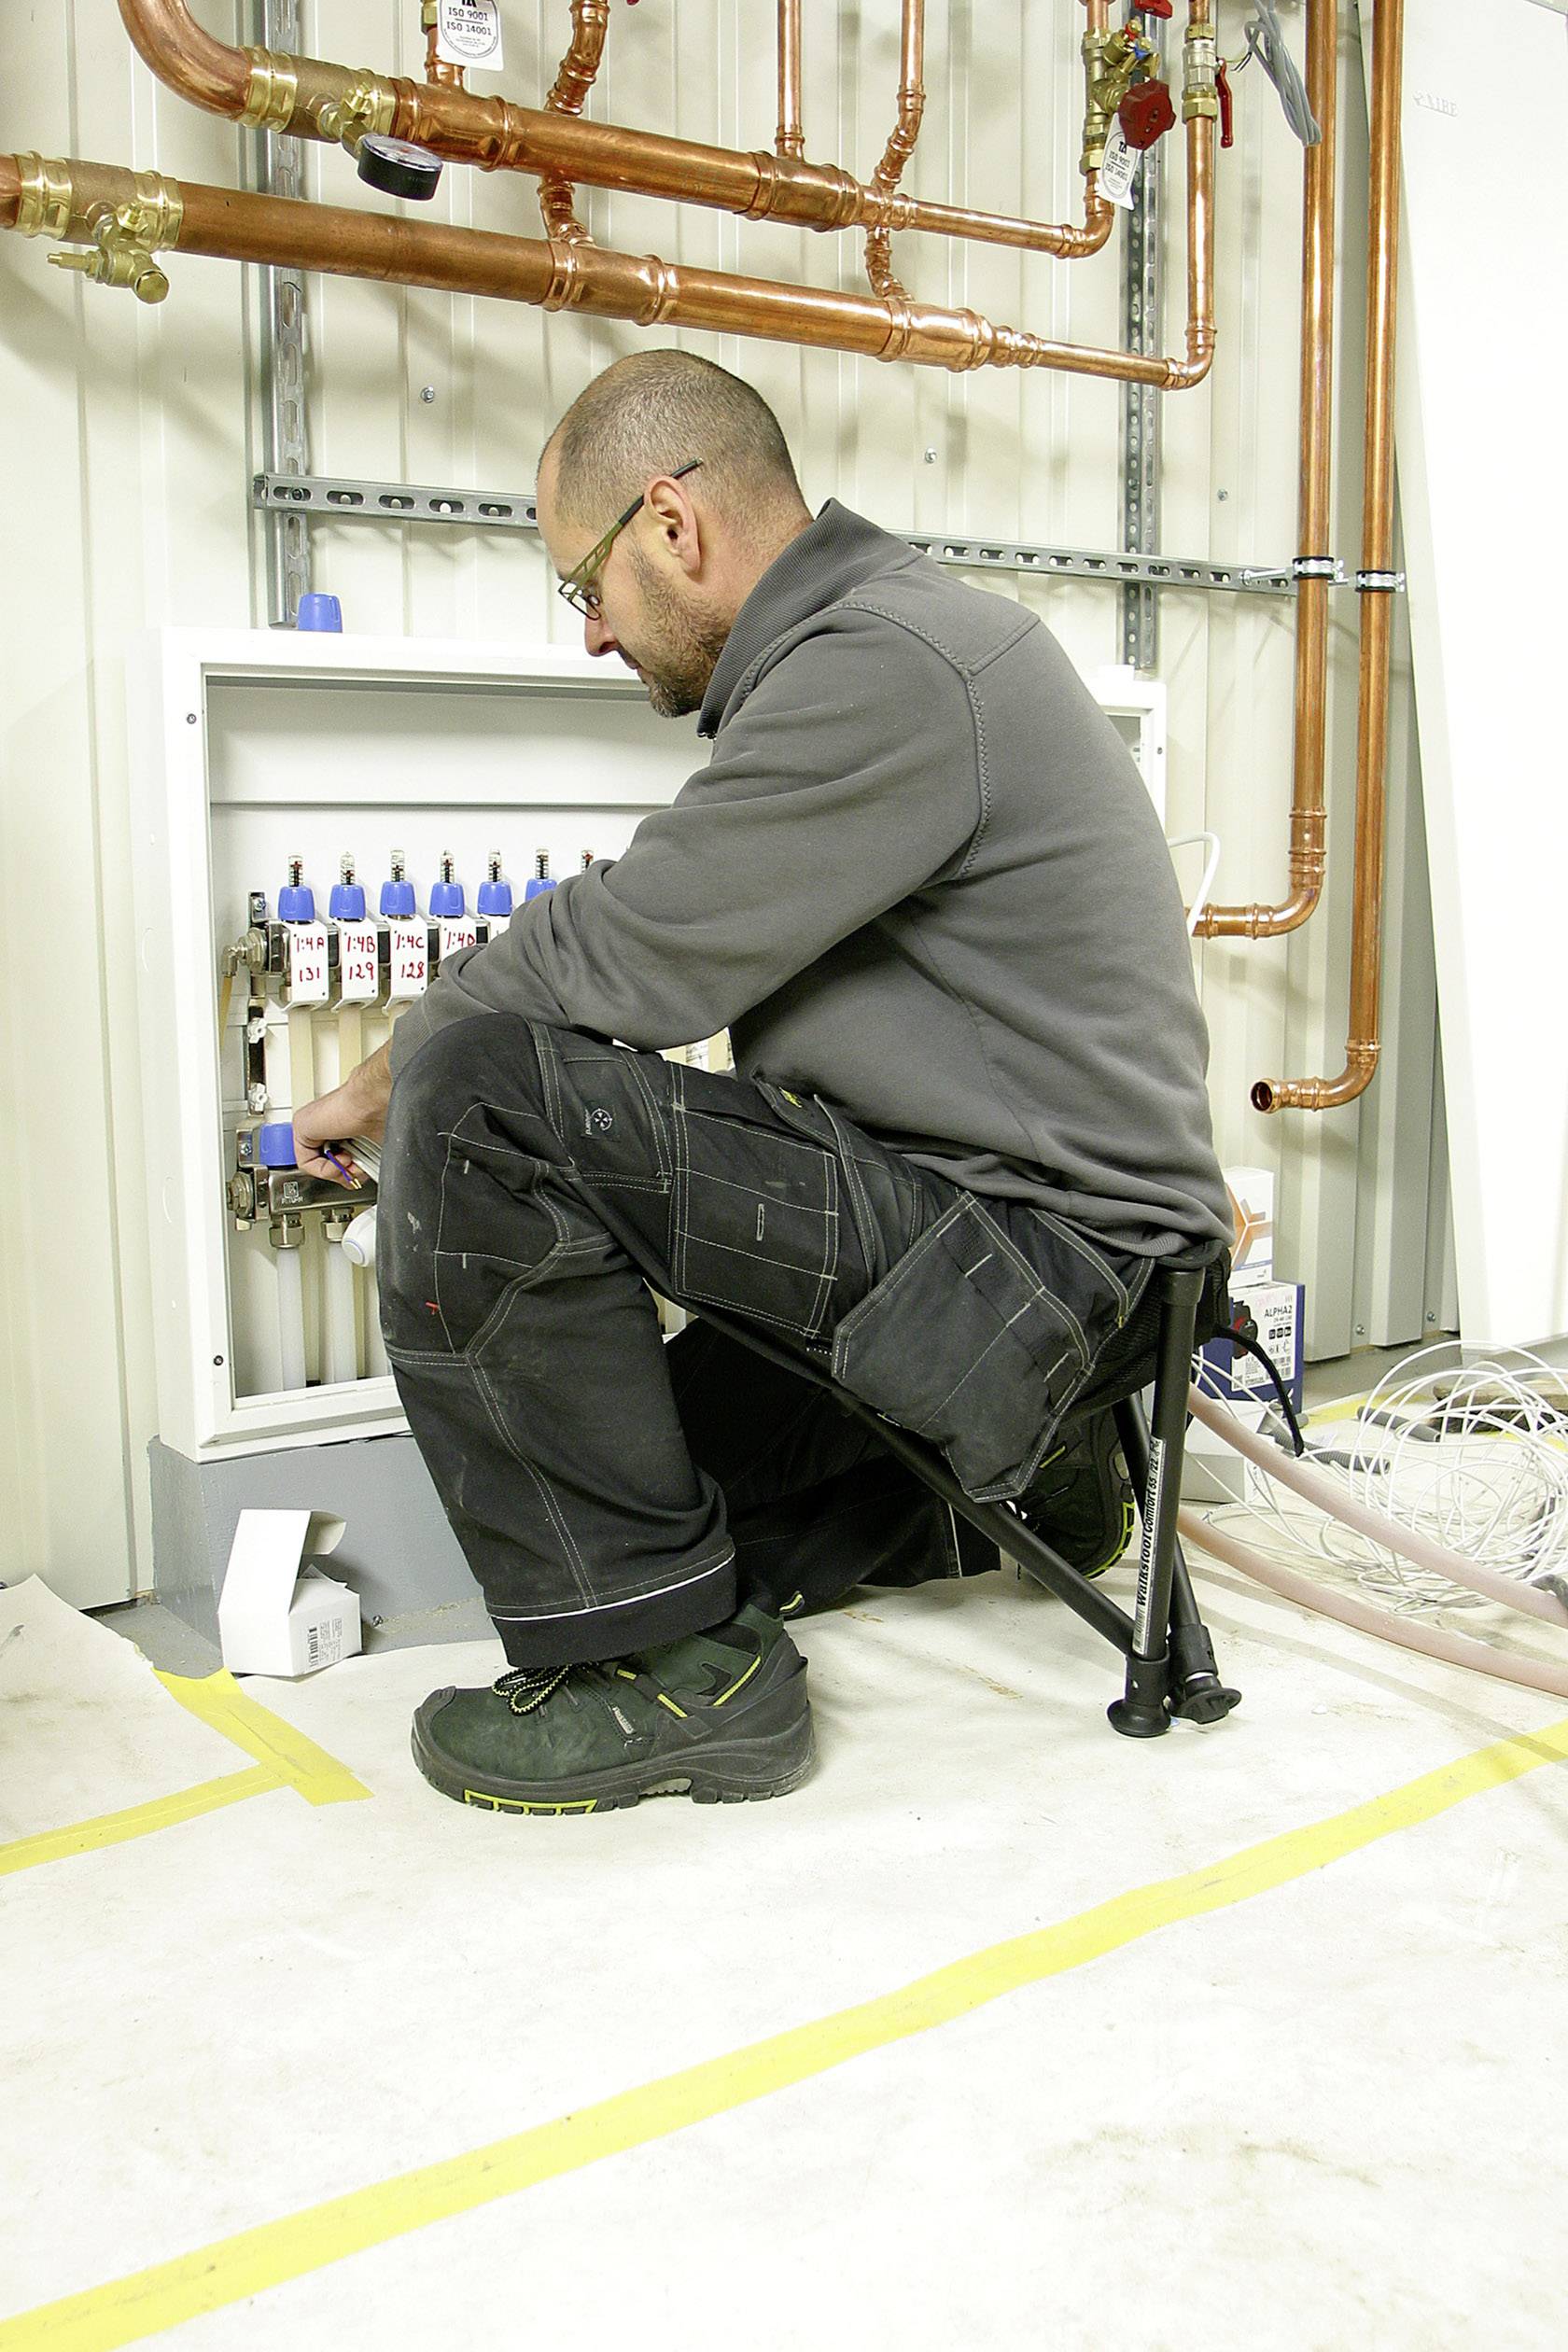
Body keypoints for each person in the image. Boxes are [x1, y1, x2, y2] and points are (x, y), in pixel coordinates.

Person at [293, 349, 1230, 1817]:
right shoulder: (889, 646)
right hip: (1050, 1264)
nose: (594, 636)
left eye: (583, 586)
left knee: (478, 1080)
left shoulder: (889, 662)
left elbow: (629, 953)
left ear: (673, 522)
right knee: (670, 1502)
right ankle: (1029, 1485)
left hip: (1035, 1281)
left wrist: (383, 1076)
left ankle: (680, 1682)